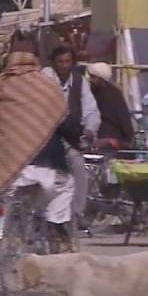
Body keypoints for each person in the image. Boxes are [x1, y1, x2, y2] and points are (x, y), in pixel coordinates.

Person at [0, 47, 78, 249]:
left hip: (10, 167)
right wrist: (76, 138)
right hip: (47, 164)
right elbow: (64, 121)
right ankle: (56, 226)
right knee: (66, 185)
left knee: (11, 195)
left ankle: (16, 229)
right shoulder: (47, 86)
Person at [42, 46, 101, 226]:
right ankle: (42, 214)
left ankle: (75, 214)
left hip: (69, 136)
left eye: (67, 62)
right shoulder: (45, 78)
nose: (64, 66)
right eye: (60, 62)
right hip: (45, 136)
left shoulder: (79, 82)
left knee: (78, 167)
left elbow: (91, 110)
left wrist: (90, 129)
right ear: (53, 63)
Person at [85, 62, 136, 150]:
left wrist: (128, 140)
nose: (90, 80)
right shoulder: (95, 92)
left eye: (93, 77)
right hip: (99, 139)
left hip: (110, 141)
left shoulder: (113, 95)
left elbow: (123, 117)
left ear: (101, 78)